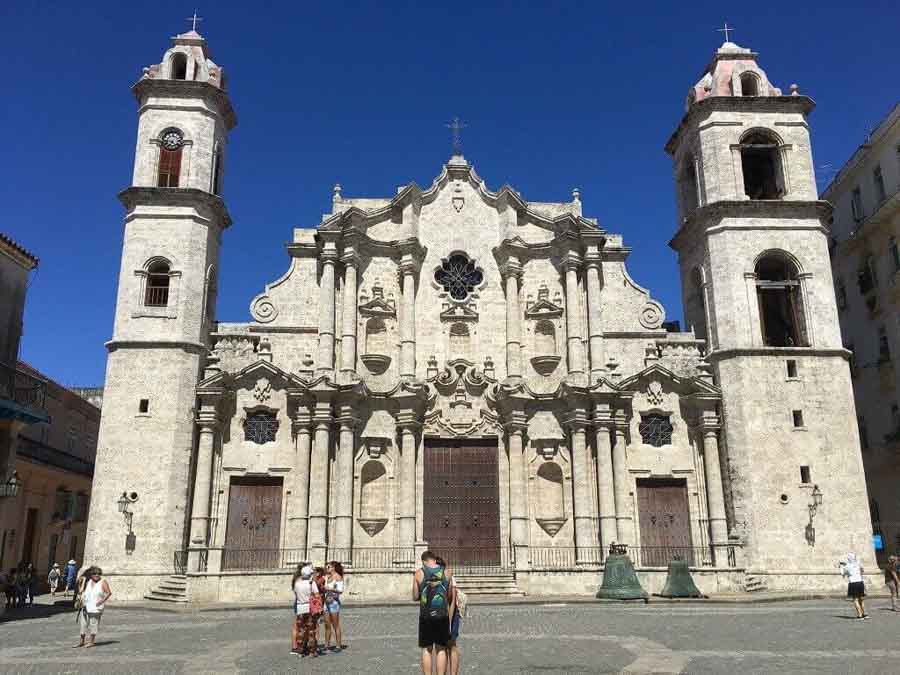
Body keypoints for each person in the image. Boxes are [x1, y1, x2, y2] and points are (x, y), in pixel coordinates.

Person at [414, 550, 454, 675]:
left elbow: (415, 596)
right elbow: (450, 595)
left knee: (427, 648)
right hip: (442, 615)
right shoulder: (447, 572)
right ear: (434, 559)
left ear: (424, 561)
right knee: (441, 648)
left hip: (426, 615)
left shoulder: (419, 573)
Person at [74, 566, 112, 647]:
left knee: (93, 624)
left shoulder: (103, 582)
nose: (97, 575)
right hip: (85, 606)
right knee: (83, 624)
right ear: (91, 575)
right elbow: (81, 591)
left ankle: (91, 641)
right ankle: (81, 641)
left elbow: (109, 593)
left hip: (96, 607)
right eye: (94, 574)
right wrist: (83, 581)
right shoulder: (88, 582)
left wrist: (101, 601)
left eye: (99, 574)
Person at [292, 565, 319, 657]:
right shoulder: (312, 583)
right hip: (310, 608)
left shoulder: (297, 583)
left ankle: (301, 650)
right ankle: (312, 651)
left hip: (300, 608)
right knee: (311, 630)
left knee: (301, 630)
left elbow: (296, 594)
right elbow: (317, 595)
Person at [324, 561, 346, 652]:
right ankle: (327, 645)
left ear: (333, 567)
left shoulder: (338, 577)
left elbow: (340, 591)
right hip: (326, 602)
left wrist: (331, 589)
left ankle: (338, 645)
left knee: (335, 625)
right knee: (327, 625)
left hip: (334, 602)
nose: (327, 567)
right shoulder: (327, 577)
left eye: (328, 566)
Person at [841, 552, 867, 620]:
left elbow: (843, 574)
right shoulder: (858, 564)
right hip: (860, 582)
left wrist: (841, 567)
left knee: (855, 600)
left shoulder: (847, 566)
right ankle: (865, 614)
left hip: (853, 583)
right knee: (861, 599)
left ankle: (860, 615)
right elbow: (862, 571)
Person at [311, 565, 327, 655]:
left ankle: (315, 645)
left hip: (318, 602)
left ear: (320, 572)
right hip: (313, 602)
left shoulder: (321, 579)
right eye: (314, 571)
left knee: (316, 624)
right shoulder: (312, 579)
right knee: (312, 624)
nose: (315, 572)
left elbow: (321, 589)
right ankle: (312, 644)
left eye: (316, 571)